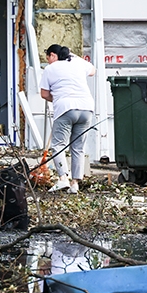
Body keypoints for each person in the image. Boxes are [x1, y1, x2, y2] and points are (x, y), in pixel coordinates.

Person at [40, 44, 95, 194]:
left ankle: (63, 178)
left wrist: (58, 98)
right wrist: (75, 56)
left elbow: (44, 94)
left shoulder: (50, 69)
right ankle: (75, 183)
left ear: (53, 56)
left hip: (65, 108)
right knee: (77, 147)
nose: (48, 61)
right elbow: (93, 70)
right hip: (86, 108)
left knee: (58, 145)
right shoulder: (78, 64)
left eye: (48, 57)